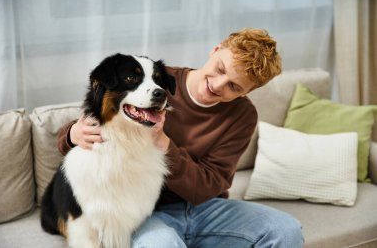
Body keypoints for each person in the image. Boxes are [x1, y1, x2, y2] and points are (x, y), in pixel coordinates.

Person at [57, 28, 304, 248]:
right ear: (215, 50)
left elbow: (208, 186)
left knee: (286, 230)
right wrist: (71, 134)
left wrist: (164, 144)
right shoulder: (156, 80)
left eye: (235, 87)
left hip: (206, 208)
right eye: (220, 69)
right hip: (146, 210)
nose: (218, 85)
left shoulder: (243, 115)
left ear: (248, 91)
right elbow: (98, 117)